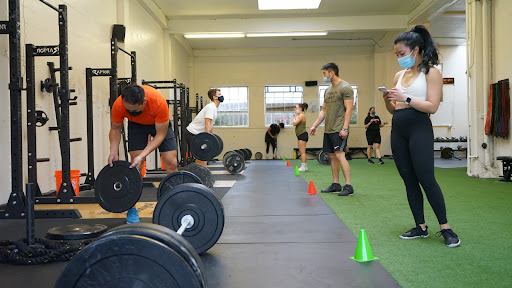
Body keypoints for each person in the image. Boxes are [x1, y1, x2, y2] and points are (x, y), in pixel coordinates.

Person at [382, 25, 460, 247]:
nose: (399, 58)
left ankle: (446, 228)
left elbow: (432, 107)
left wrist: (405, 98)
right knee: (409, 180)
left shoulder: (432, 72)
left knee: (426, 178)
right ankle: (421, 226)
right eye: (396, 54)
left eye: (401, 54)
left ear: (415, 50)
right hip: (399, 128)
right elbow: (394, 109)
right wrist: (388, 100)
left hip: (419, 128)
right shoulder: (399, 75)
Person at [109, 85, 178, 223]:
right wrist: (113, 151)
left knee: (171, 163)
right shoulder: (119, 105)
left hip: (159, 126)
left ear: (144, 101)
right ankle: (131, 209)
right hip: (136, 126)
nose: (130, 112)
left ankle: (175, 205)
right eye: (128, 110)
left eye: (135, 110)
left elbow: (160, 135)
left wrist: (143, 155)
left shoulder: (158, 102)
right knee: (135, 166)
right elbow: (115, 129)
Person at [310, 63, 354, 196]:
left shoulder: (345, 88)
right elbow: (323, 110)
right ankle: (336, 184)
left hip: (339, 127)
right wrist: (314, 125)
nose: (323, 76)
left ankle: (348, 186)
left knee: (340, 155)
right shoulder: (328, 90)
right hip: (328, 128)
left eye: (324, 73)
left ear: (331, 73)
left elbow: (349, 109)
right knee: (332, 156)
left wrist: (345, 128)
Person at [185, 88, 223, 166]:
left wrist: (211, 137)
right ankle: (198, 173)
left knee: (204, 155)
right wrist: (207, 138)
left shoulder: (214, 108)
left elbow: (211, 125)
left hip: (197, 134)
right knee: (202, 155)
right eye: (219, 94)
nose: (222, 95)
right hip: (192, 133)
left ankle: (201, 172)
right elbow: (207, 124)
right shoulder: (210, 107)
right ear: (214, 97)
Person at [293, 103, 309, 171]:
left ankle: (303, 167)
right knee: (302, 151)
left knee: (302, 152)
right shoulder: (301, 115)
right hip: (301, 135)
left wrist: (294, 116)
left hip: (302, 135)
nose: (295, 109)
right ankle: (305, 166)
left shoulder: (301, 115)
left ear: (300, 108)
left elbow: (294, 123)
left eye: (296, 107)